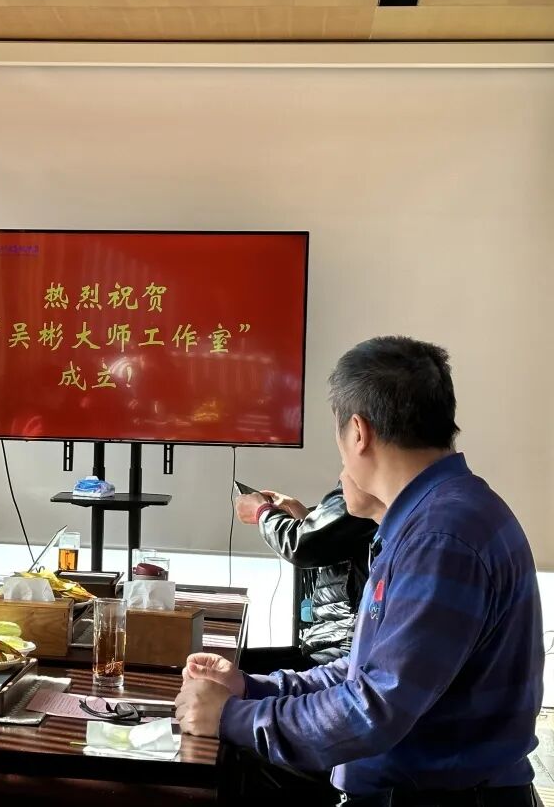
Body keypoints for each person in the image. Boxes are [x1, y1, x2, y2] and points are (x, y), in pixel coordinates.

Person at [176, 336, 543, 807]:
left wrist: (231, 718)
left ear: (357, 432)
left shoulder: (440, 537)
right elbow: (364, 672)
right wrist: (250, 687)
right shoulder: (434, 518)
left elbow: (375, 707)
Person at [234, 483, 380, 673]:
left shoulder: (364, 487)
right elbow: (332, 542)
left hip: (345, 643)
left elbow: (302, 546)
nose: (344, 475)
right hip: (335, 638)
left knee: (230, 672)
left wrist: (262, 512)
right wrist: (301, 514)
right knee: (235, 664)